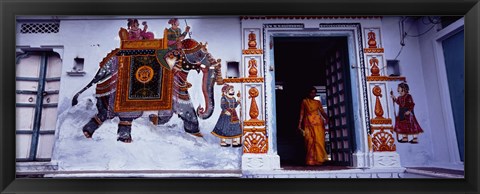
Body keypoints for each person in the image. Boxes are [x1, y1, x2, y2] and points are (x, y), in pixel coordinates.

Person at [298, 87, 329, 166]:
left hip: (318, 123)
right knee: (309, 141)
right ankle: (310, 161)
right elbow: (302, 113)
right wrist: (299, 124)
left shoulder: (318, 102)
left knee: (319, 141)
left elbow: (322, 111)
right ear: (308, 93)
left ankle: (319, 160)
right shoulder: (305, 101)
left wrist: (327, 119)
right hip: (308, 123)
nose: (313, 94)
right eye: (311, 92)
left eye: (314, 92)